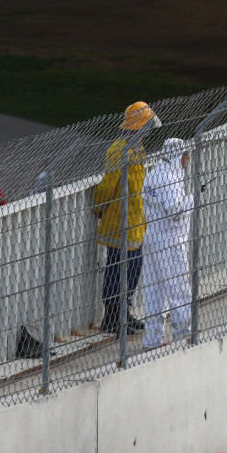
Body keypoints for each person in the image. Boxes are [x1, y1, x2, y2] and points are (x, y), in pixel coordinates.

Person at [93, 101, 160, 335]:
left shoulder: (136, 149)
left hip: (135, 222)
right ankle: (111, 317)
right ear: (139, 127)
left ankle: (124, 312)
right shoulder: (119, 150)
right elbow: (108, 185)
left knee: (133, 269)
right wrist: (98, 207)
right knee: (117, 269)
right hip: (119, 222)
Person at [141, 138, 194, 350]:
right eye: (185, 157)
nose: (186, 161)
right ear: (177, 155)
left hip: (152, 236)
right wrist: (193, 199)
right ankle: (184, 336)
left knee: (154, 291)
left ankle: (152, 340)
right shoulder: (170, 179)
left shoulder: (153, 174)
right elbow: (176, 212)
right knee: (178, 289)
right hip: (170, 240)